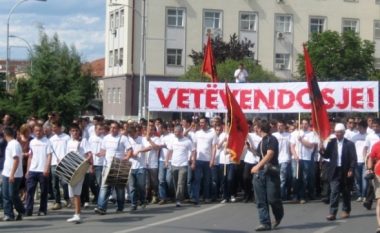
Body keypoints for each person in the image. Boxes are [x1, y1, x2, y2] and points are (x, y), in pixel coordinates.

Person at [251, 119, 283, 231]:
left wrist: (257, 166)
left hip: (270, 173)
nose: (254, 129)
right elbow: (260, 154)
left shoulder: (272, 139)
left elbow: (269, 154)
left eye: (255, 127)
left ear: (260, 128)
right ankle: (265, 223)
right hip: (260, 174)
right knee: (260, 200)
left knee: (273, 199)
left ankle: (279, 214)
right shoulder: (261, 141)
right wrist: (250, 148)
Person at [94, 121, 133, 214]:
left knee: (119, 188)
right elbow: (104, 150)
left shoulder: (123, 138)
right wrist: (100, 154)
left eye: (115, 128)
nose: (112, 129)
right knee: (104, 187)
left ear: (119, 129)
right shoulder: (106, 138)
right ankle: (101, 207)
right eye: (111, 127)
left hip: (118, 165)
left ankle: (120, 207)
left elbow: (130, 150)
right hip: (107, 165)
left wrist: (126, 158)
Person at [321, 123, 357, 221]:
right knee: (334, 191)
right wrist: (321, 150)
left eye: (340, 132)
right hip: (334, 170)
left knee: (345, 192)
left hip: (345, 171)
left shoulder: (349, 144)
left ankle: (346, 210)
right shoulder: (331, 142)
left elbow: (353, 159)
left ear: (343, 133)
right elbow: (327, 155)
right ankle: (332, 213)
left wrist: (351, 169)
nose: (338, 134)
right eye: (336, 132)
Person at [66, 124, 91, 223]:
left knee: (77, 193)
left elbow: (89, 155)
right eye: (73, 130)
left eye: (76, 130)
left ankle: (77, 214)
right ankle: (77, 212)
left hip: (79, 170)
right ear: (70, 132)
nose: (75, 132)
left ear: (79, 132)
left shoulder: (83, 141)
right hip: (70, 169)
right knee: (71, 194)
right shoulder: (68, 142)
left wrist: (84, 164)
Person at [25, 124, 53, 216]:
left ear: (42, 131)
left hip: (42, 170)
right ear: (33, 131)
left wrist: (47, 168)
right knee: (30, 190)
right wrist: (27, 170)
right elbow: (30, 156)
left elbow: (49, 156)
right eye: (36, 131)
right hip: (33, 169)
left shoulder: (47, 142)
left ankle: (42, 209)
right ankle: (28, 210)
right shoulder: (32, 142)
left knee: (44, 191)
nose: (38, 132)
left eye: (39, 130)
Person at [290, 118, 318, 203]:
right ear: (300, 124)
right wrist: (295, 155)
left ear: (308, 124)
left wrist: (301, 140)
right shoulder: (295, 133)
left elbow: (310, 145)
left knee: (304, 177)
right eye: (303, 123)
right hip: (296, 158)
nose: (304, 125)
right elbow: (292, 146)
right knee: (295, 177)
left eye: (306, 123)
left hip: (306, 158)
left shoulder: (312, 134)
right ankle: (295, 195)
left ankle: (302, 196)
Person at [166, 125, 195, 207]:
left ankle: (178, 199)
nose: (175, 133)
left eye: (177, 132)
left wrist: (193, 162)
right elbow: (169, 151)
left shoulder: (187, 141)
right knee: (174, 182)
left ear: (181, 132)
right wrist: (166, 161)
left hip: (183, 165)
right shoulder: (173, 140)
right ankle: (177, 196)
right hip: (174, 164)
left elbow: (193, 151)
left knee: (180, 183)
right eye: (174, 132)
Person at [191, 116, 217, 204]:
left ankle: (206, 197)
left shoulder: (212, 133)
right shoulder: (197, 133)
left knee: (207, 180)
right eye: (200, 123)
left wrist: (212, 160)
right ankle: (196, 197)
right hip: (198, 160)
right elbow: (194, 148)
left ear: (207, 123)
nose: (201, 124)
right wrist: (193, 160)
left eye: (203, 122)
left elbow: (214, 147)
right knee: (197, 179)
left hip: (208, 160)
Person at [2, 127, 24, 221]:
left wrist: (12, 174)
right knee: (5, 194)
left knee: (12, 195)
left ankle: (21, 210)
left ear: (5, 134)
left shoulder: (14, 144)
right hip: (6, 173)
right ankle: (9, 214)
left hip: (14, 174)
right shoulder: (10, 144)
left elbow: (16, 159)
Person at [49, 121, 71, 210]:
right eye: (52, 127)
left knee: (65, 183)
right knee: (55, 184)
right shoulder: (51, 139)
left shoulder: (66, 137)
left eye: (55, 127)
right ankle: (57, 202)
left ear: (59, 127)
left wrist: (65, 160)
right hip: (54, 163)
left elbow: (69, 150)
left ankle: (67, 199)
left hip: (64, 164)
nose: (53, 129)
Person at [366, 139, 380, 233]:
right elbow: (370, 158)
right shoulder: (377, 145)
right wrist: (370, 169)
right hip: (379, 175)